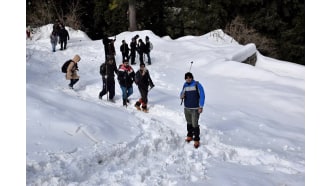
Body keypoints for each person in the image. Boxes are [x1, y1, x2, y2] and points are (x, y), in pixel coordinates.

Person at [180, 72, 205, 148]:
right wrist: (181, 95)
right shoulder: (185, 85)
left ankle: (196, 139)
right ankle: (190, 135)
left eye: (189, 77)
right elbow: (181, 93)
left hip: (195, 108)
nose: (188, 79)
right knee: (189, 122)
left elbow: (202, 95)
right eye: (187, 78)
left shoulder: (197, 84)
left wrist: (201, 106)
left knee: (195, 124)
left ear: (192, 77)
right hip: (187, 108)